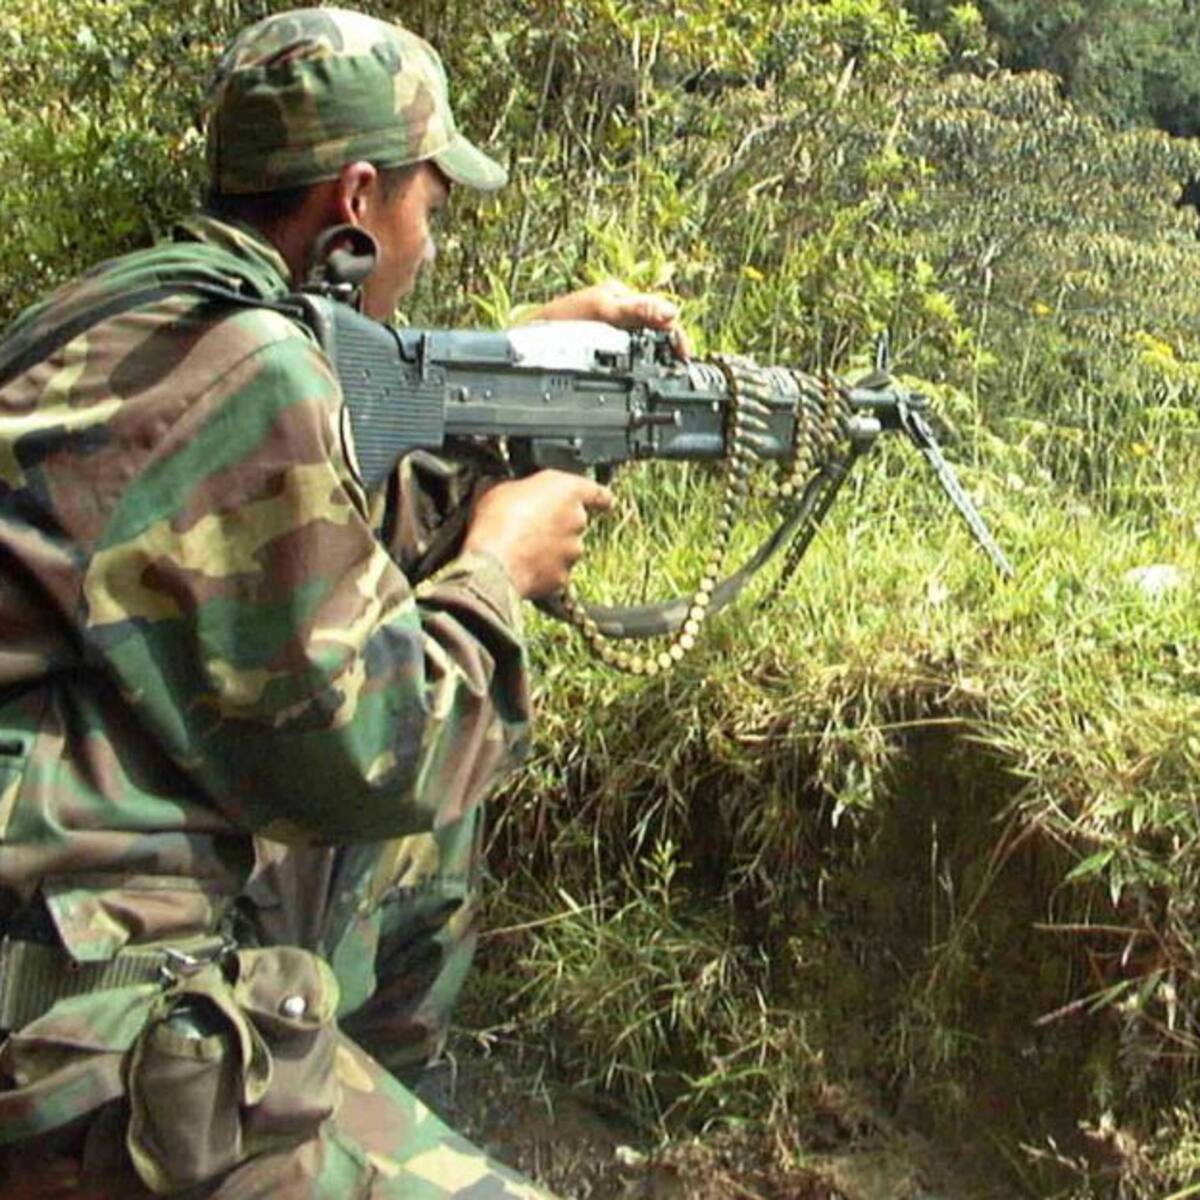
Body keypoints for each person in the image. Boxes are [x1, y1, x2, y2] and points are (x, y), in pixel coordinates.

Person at [0, 7, 686, 1196]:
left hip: (63, 886)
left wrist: (507, 362)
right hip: (68, 1012)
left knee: (427, 856)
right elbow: (377, 753)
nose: (432, 239)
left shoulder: (134, 322)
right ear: (359, 201)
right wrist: (496, 571)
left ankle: (342, 1100)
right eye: (431, 202)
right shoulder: (250, 370)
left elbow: (284, 544)